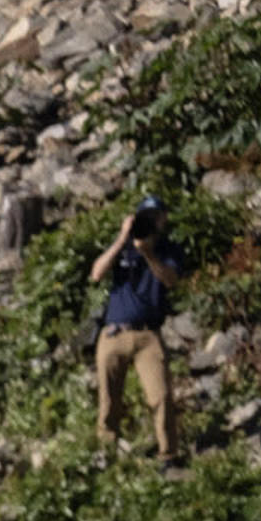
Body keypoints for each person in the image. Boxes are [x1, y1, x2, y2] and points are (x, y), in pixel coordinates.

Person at [91, 200, 181, 469]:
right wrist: (122, 239)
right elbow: (96, 273)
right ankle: (106, 453)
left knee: (161, 396)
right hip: (114, 333)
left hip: (148, 336)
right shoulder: (122, 247)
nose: (150, 223)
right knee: (109, 399)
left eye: (155, 217)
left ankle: (168, 456)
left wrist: (149, 254)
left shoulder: (168, 250)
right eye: (145, 217)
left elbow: (171, 281)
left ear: (163, 220)